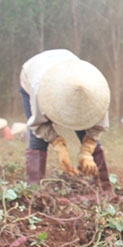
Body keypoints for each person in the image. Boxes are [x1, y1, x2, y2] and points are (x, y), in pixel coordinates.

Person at [19, 49, 113, 193]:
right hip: (33, 72)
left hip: (71, 72)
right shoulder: (39, 88)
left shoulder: (97, 91)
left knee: (86, 132)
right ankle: (34, 192)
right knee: (38, 140)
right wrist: (58, 146)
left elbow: (97, 127)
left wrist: (87, 151)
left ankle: (105, 189)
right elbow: (37, 124)